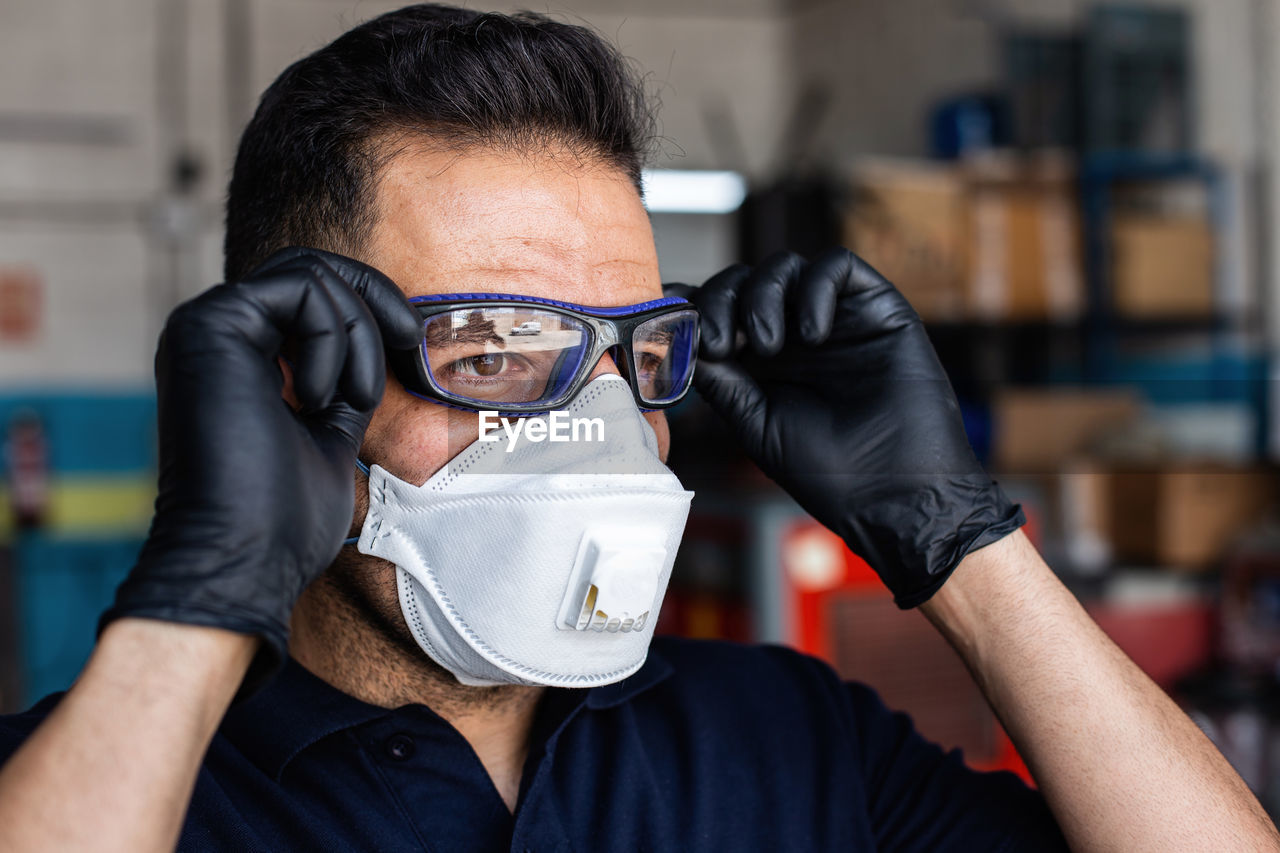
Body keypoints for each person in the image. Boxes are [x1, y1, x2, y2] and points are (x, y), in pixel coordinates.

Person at [0, 5, 1275, 851]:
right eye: (495, 350)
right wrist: (198, 595)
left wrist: (966, 547)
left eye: (626, 352)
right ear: (292, 377)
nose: (594, 428)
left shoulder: (787, 749)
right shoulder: (108, 785)